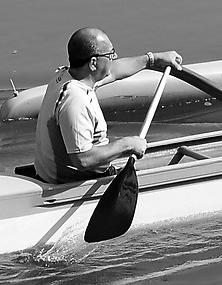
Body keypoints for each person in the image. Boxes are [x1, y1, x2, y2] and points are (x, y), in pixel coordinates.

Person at [35, 29, 183, 184]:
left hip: (56, 174)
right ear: (93, 63)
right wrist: (127, 144)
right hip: (74, 182)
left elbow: (113, 71)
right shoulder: (75, 100)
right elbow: (83, 160)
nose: (115, 57)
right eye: (110, 54)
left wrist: (152, 59)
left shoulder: (68, 75)